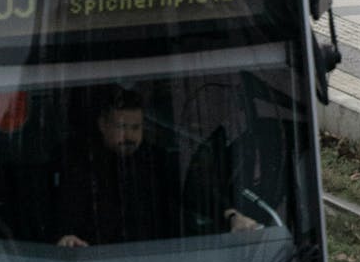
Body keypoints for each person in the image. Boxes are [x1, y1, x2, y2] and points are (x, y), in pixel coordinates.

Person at [56, 87, 258, 247]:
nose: (129, 137)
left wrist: (231, 216)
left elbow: (194, 193)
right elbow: (62, 210)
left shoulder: (157, 160)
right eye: (121, 127)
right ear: (103, 125)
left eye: (136, 128)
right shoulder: (77, 162)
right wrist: (67, 236)